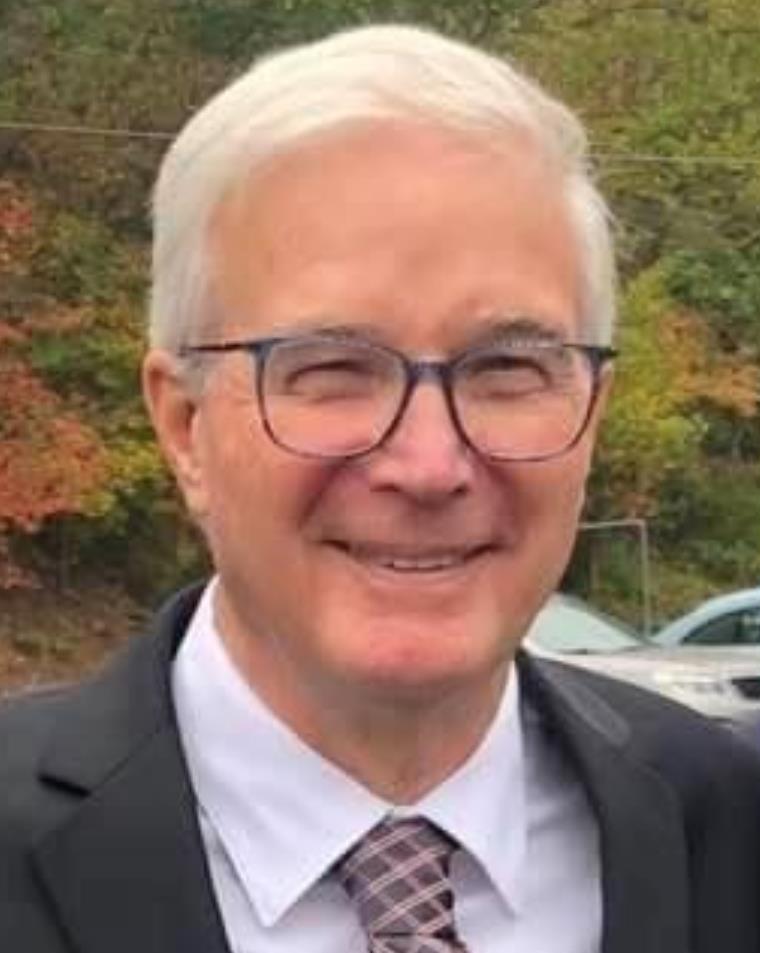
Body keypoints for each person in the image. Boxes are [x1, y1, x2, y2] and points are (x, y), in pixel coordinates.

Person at [1, 24, 759, 953]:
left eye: (508, 368)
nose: (430, 464)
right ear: (185, 426)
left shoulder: (728, 825)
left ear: (591, 413)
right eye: (331, 368)